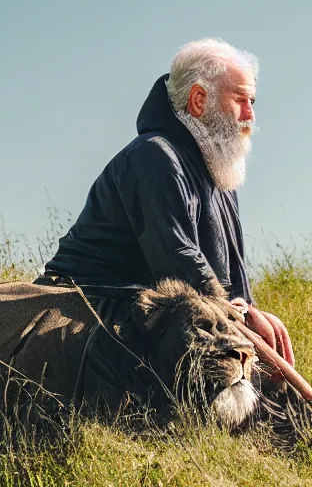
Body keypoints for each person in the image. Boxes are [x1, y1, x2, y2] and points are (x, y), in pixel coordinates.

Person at [39, 38, 294, 366]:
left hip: (173, 313)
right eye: (241, 100)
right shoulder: (154, 156)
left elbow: (233, 280)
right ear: (199, 100)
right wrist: (239, 321)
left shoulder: (222, 176)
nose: (250, 115)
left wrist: (248, 311)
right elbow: (177, 261)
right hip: (91, 307)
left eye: (253, 101)